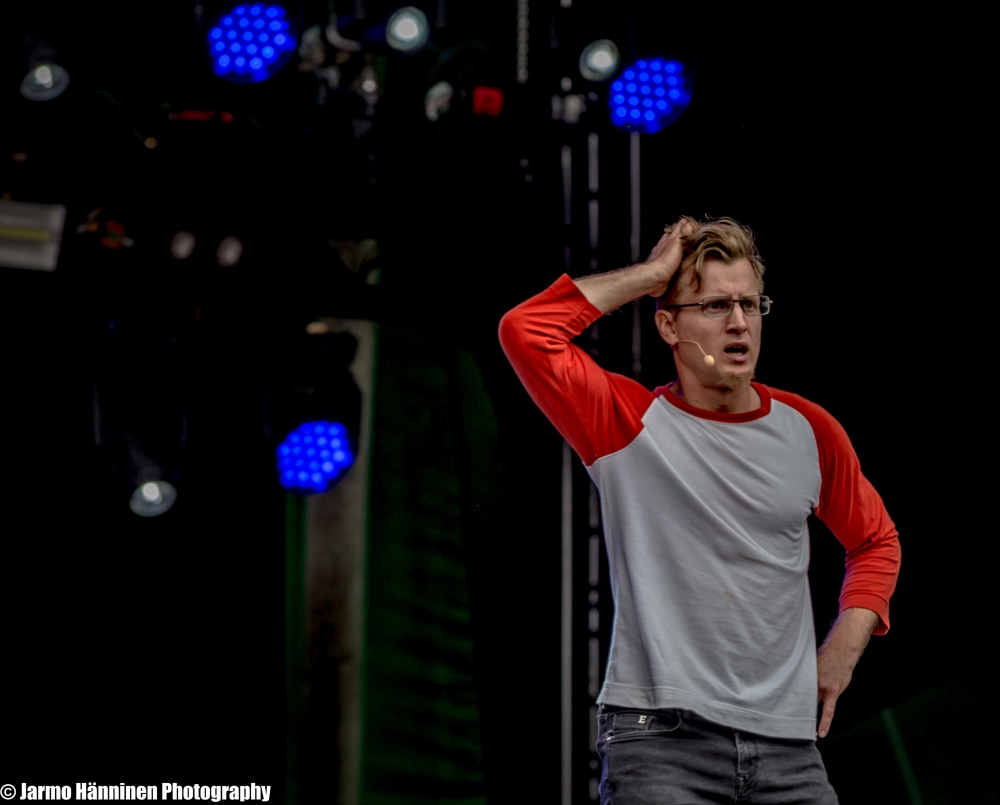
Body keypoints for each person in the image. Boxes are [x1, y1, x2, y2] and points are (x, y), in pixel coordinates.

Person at [498, 217, 901, 804]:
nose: (738, 322)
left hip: (788, 748)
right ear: (668, 325)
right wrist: (650, 275)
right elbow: (526, 330)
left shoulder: (809, 430)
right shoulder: (627, 423)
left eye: (749, 304)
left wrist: (841, 650)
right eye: (714, 306)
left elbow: (876, 540)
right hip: (660, 741)